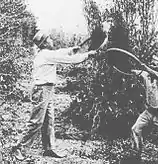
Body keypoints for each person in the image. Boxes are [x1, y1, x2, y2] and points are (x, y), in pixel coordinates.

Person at [12, 30, 97, 160]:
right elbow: (70, 60)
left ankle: (49, 148)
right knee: (36, 121)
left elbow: (59, 53)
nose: (52, 40)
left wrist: (72, 49)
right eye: (49, 39)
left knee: (48, 120)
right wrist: (87, 55)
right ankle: (19, 148)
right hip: (42, 90)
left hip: (47, 89)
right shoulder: (46, 54)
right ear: (45, 43)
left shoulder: (46, 53)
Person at [131, 55, 158, 164]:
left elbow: (155, 74)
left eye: (155, 64)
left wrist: (145, 68)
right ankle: (137, 154)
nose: (152, 65)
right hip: (149, 111)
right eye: (151, 63)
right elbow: (133, 71)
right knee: (135, 129)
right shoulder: (145, 75)